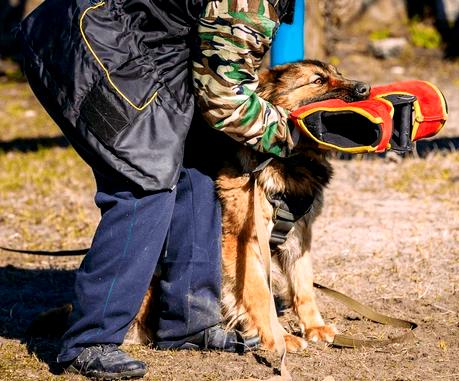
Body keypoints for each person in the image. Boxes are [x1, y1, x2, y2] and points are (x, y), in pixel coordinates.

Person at [18, 0, 298, 379]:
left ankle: (186, 320)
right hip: (90, 44)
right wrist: (294, 135)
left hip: (143, 53)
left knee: (201, 156)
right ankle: (90, 340)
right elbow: (224, 99)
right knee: (143, 177)